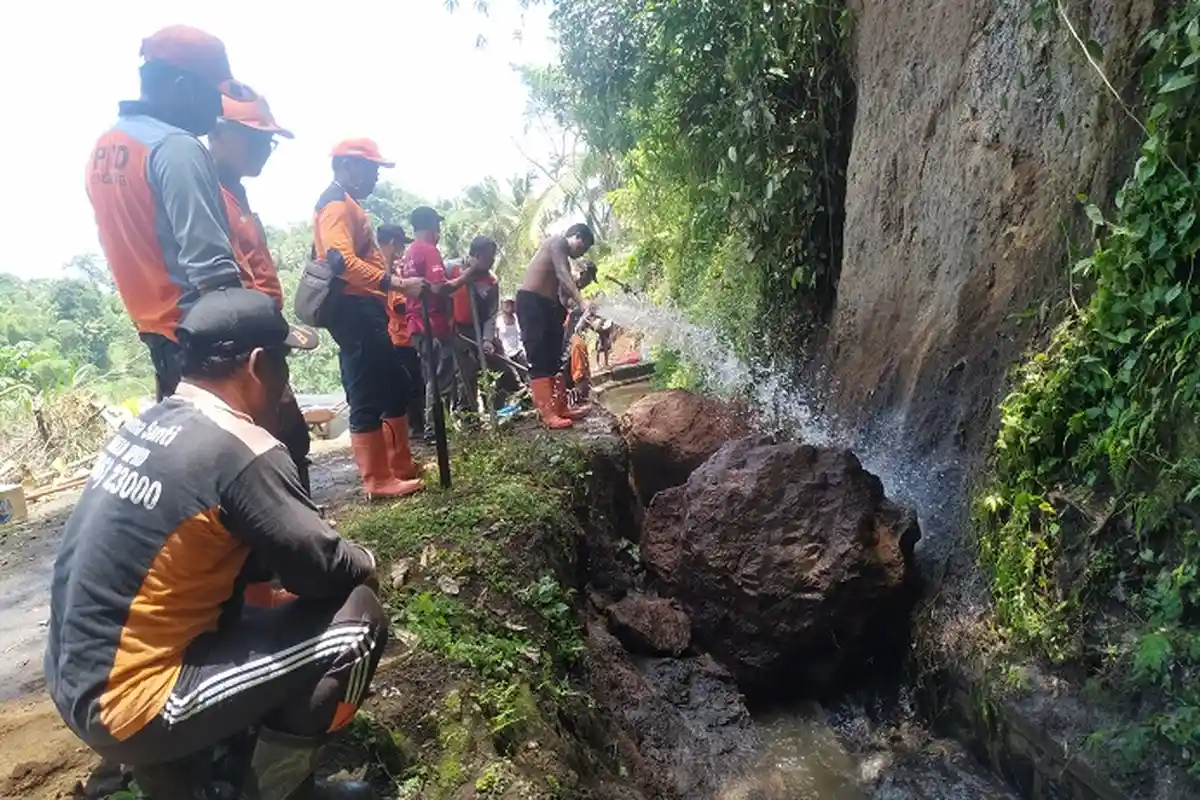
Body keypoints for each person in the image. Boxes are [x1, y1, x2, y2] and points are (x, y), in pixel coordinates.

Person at [45, 288, 382, 800]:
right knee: (356, 623)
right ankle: (277, 792)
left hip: (75, 680)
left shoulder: (150, 423)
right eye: (284, 365)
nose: (286, 387)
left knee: (255, 601)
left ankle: (194, 771)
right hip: (130, 704)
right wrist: (367, 560)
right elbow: (325, 568)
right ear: (257, 364)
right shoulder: (241, 446)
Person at [87, 25, 251, 402]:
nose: (219, 109)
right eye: (214, 95)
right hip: (202, 339)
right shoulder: (176, 147)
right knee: (244, 452)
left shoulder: (107, 146)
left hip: (157, 334)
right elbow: (212, 271)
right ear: (182, 87)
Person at [208, 87, 315, 496]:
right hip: (241, 340)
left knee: (290, 435)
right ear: (217, 132)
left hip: (264, 333)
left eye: (267, 141)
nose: (264, 150)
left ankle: (298, 525)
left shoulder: (236, 191)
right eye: (255, 139)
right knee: (269, 440)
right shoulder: (208, 195)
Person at [315, 141, 426, 498]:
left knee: (395, 382)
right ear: (348, 166)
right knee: (367, 390)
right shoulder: (335, 206)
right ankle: (377, 479)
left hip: (366, 309)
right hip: (353, 309)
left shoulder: (349, 204)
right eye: (372, 168)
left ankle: (399, 465)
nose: (377, 176)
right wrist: (395, 282)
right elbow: (340, 262)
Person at [403, 207, 483, 439]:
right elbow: (439, 287)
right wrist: (467, 276)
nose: (439, 230)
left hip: (416, 323)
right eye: (437, 225)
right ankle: (436, 430)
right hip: (431, 323)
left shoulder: (410, 253)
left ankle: (435, 429)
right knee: (440, 380)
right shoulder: (428, 251)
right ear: (432, 226)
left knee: (432, 379)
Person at [517, 224, 596, 428]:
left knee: (555, 358)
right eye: (583, 248)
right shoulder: (557, 242)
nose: (581, 254)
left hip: (548, 306)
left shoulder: (566, 260)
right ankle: (547, 413)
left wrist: (581, 308)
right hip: (531, 303)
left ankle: (561, 407)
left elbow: (563, 293)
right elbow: (562, 274)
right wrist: (582, 301)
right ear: (577, 237)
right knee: (540, 357)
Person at [378, 224, 426, 438]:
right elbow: (398, 304)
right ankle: (414, 429)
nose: (401, 250)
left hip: (408, 335)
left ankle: (416, 428)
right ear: (391, 242)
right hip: (399, 338)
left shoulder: (396, 267)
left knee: (417, 384)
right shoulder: (383, 269)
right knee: (410, 385)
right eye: (399, 244)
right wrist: (421, 299)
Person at [446, 237, 500, 417]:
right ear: (477, 255)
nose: (493, 261)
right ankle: (469, 418)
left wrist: (487, 339)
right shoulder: (450, 268)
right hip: (456, 330)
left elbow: (491, 313)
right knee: (466, 372)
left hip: (478, 330)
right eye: (489, 257)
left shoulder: (491, 281)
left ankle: (496, 411)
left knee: (497, 366)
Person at [496, 296, 525, 365]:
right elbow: (496, 338)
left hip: (520, 351)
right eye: (507, 303)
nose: (510, 306)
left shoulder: (519, 319)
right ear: (502, 305)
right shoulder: (498, 321)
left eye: (511, 303)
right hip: (506, 354)